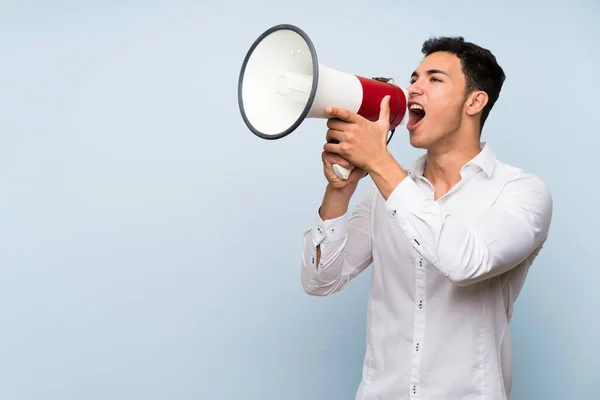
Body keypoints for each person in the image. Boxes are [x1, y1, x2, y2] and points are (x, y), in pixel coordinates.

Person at [300, 36, 553, 400]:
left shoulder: (522, 192)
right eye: (414, 78)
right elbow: (319, 280)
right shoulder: (383, 195)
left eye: (434, 79)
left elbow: (467, 262)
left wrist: (379, 163)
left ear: (475, 101)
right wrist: (340, 190)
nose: (414, 88)